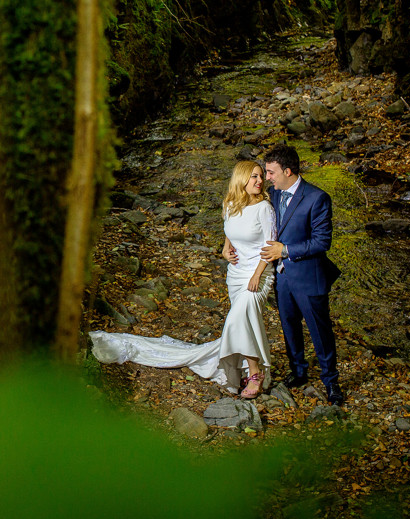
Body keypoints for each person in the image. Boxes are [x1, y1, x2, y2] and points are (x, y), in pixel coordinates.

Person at [89, 161, 275, 398]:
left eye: (261, 177)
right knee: (243, 322)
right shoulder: (229, 205)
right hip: (236, 275)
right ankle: (243, 369)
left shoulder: (264, 208)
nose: (260, 181)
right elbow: (229, 236)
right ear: (241, 179)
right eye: (255, 177)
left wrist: (257, 276)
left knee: (240, 317)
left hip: (258, 274)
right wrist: (225, 251)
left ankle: (255, 372)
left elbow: (270, 248)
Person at [259, 145, 344, 406]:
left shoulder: (317, 198)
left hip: (309, 278)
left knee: (320, 331)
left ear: (288, 170)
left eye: (271, 172)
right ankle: (298, 372)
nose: (267, 178)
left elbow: (322, 243)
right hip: (282, 279)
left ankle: (331, 382)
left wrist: (284, 250)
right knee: (289, 326)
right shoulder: (272, 194)